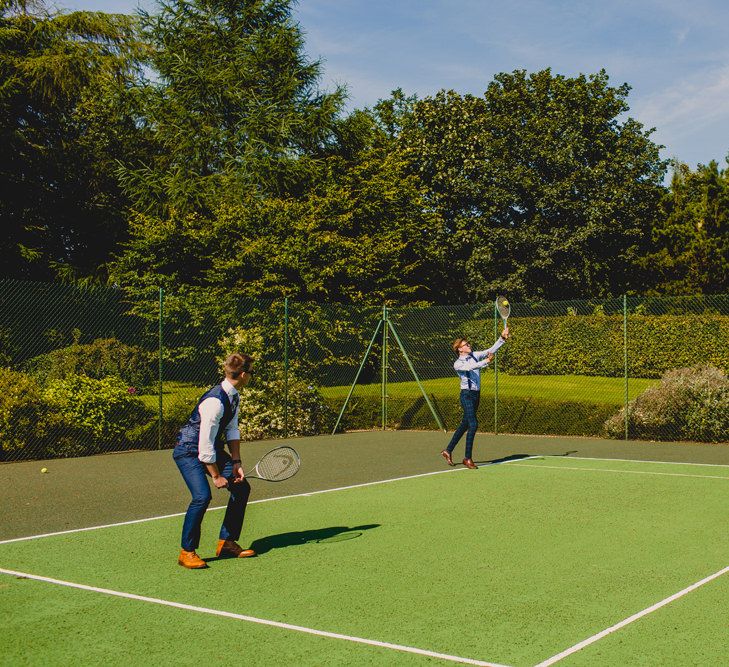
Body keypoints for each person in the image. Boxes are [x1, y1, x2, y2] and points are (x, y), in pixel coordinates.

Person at [173, 352, 256, 569]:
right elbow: (205, 445)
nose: (252, 377)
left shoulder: (233, 395)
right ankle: (187, 552)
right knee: (202, 496)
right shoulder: (214, 402)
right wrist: (216, 476)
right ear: (244, 374)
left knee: (242, 488)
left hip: (209, 449)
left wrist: (236, 463)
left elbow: (232, 428)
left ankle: (227, 542)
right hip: (188, 451)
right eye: (252, 373)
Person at [441, 328, 510, 469]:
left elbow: (491, 349)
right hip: (466, 395)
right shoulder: (458, 364)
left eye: (468, 344)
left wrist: (502, 338)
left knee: (465, 424)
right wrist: (486, 361)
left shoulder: (474, 355)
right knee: (473, 424)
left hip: (476, 395)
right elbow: (471, 367)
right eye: (466, 345)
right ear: (459, 349)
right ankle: (467, 458)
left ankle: (447, 451)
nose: (469, 345)